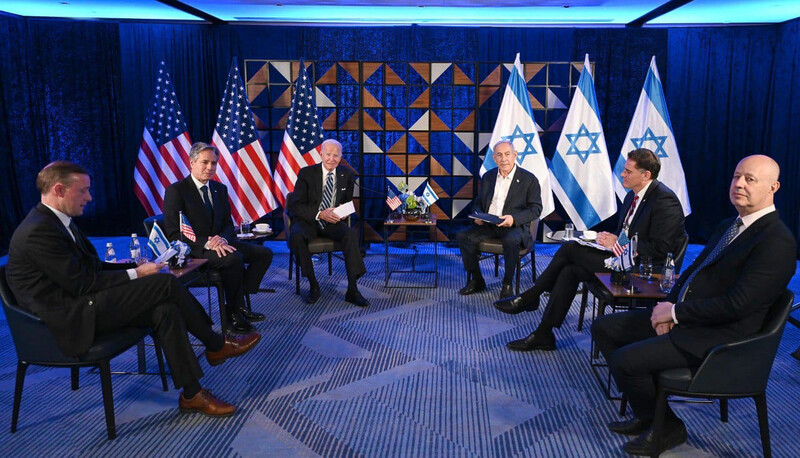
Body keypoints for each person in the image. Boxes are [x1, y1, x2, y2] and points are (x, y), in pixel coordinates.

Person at [6, 161, 261, 417]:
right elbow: (81, 283)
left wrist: (137, 266)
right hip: (67, 319)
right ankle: (215, 343)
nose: (89, 197)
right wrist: (135, 274)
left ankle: (192, 393)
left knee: (165, 309)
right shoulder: (38, 231)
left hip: (83, 303)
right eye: (82, 191)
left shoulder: (59, 221)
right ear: (59, 190)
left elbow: (93, 268)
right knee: (165, 284)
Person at [592, 155, 796, 456]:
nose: (739, 184)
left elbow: (737, 306)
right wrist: (667, 308)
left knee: (626, 360)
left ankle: (668, 427)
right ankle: (651, 416)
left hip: (724, 338)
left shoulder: (776, 241)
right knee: (604, 328)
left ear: (773, 187)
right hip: (693, 318)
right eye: (736, 176)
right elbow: (692, 273)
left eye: (750, 179)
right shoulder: (730, 225)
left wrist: (676, 314)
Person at [495, 148, 686, 351]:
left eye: (628, 171)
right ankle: (544, 333)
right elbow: (627, 233)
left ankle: (530, 297)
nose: (622, 174)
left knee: (570, 250)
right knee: (570, 270)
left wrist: (619, 243)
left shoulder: (665, 200)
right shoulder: (632, 196)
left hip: (644, 271)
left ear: (646, 175)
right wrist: (606, 239)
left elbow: (661, 249)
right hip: (620, 259)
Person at [163, 142, 273, 334]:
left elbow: (228, 225)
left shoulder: (219, 189)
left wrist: (221, 239)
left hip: (220, 244)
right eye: (205, 162)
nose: (210, 168)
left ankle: (237, 303)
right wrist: (208, 243)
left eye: (214, 163)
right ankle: (233, 314)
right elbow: (174, 234)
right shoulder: (176, 191)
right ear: (192, 163)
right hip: (195, 250)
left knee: (264, 254)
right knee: (233, 259)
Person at [456, 140, 542, 299]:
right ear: (494, 158)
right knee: (463, 236)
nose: (504, 159)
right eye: (499, 155)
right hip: (488, 224)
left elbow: (535, 208)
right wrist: (478, 214)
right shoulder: (489, 176)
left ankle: (507, 284)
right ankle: (477, 280)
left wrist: (514, 219)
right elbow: (478, 202)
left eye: (507, 154)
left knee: (511, 241)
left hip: (513, 226)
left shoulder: (529, 179)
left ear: (515, 155)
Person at [288, 139, 368, 307]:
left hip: (332, 222)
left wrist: (340, 213)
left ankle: (352, 290)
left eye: (336, 155)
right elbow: (295, 205)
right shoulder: (306, 173)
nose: (332, 159)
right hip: (309, 220)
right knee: (296, 236)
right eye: (329, 154)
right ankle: (313, 285)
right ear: (321, 154)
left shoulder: (346, 175)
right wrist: (319, 214)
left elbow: (346, 203)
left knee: (350, 234)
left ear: (341, 157)